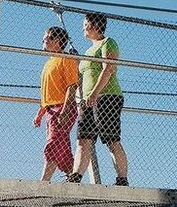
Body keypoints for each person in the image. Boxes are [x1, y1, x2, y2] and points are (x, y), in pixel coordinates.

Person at [73, 12, 128, 185]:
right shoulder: (88, 50)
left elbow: (108, 68)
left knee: (111, 139)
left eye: (85, 24)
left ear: (96, 26)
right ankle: (75, 176)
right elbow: (83, 76)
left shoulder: (107, 42)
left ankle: (122, 179)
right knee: (83, 139)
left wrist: (95, 93)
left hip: (107, 96)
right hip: (87, 101)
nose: (83, 28)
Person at [32, 26, 79, 181]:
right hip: (51, 109)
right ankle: (73, 177)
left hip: (63, 107)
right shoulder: (49, 63)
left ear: (56, 41)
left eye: (45, 38)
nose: (42, 41)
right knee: (62, 145)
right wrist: (40, 113)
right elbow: (48, 92)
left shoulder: (66, 59)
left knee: (54, 142)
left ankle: (43, 182)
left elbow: (72, 85)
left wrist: (65, 110)